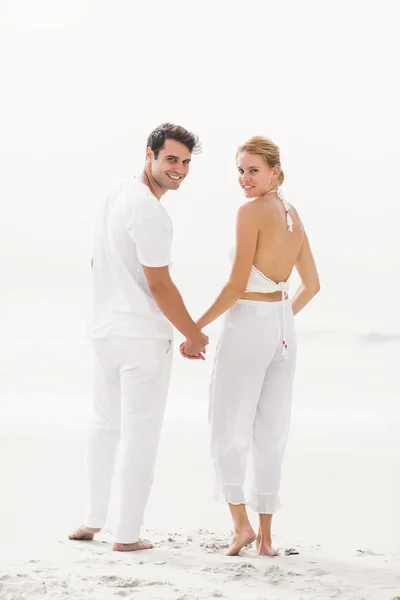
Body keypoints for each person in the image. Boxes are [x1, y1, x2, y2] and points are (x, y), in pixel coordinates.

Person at [69, 123, 208, 552]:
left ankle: (93, 520)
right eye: (171, 159)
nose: (180, 169)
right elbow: (161, 286)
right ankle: (126, 535)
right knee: (141, 435)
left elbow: (97, 262)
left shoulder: (115, 197)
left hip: (104, 331)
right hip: (142, 337)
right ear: (149, 154)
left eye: (186, 162)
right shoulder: (149, 210)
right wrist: (193, 333)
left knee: (104, 426)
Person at [181, 136, 320, 556]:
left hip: (248, 326)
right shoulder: (292, 214)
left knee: (228, 426)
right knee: (271, 432)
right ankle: (267, 539)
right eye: (240, 171)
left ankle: (241, 527)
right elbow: (311, 287)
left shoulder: (250, 211)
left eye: (253, 170)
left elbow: (236, 285)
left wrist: (194, 327)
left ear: (275, 171)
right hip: (282, 332)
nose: (244, 178)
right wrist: (277, 325)